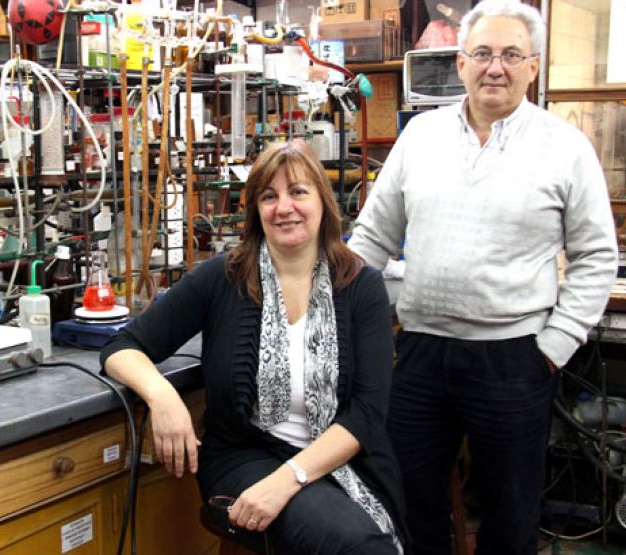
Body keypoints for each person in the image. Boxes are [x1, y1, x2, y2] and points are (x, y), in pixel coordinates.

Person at [347, 1, 618, 553]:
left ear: (533, 66)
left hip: (514, 357)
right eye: (483, 54)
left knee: (510, 512)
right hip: (420, 354)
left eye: (511, 54)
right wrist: (344, 320)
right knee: (407, 499)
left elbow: (596, 255)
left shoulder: (564, 148)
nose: (496, 67)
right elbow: (371, 239)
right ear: (462, 63)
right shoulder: (421, 136)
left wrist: (555, 344)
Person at [101, 140, 407, 554]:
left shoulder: (359, 285)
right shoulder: (223, 277)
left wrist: (287, 480)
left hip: (342, 462)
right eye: (269, 196)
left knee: (367, 540)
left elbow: (368, 414)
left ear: (322, 202)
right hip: (246, 457)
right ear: (255, 210)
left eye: (298, 192)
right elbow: (124, 345)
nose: (284, 207)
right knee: (356, 546)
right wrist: (162, 396)